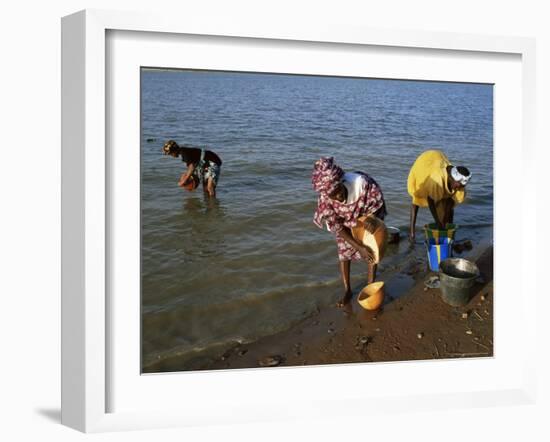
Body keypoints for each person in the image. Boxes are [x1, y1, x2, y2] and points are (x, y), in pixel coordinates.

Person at [312, 157, 387, 307]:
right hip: (343, 220)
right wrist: (358, 247)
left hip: (366, 212)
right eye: (333, 195)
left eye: (339, 190)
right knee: (343, 250)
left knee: (372, 246)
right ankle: (347, 290)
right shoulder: (325, 199)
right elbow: (337, 227)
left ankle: (370, 286)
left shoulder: (362, 183)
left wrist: (371, 218)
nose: (338, 196)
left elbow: (376, 202)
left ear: (341, 182)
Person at [407, 150, 471, 241]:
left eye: (462, 186)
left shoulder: (458, 182)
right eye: (459, 185)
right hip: (425, 163)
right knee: (417, 198)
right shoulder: (437, 179)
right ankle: (411, 233)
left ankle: (448, 235)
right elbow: (430, 200)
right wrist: (438, 222)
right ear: (452, 179)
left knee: (447, 201)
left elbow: (451, 202)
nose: (460, 188)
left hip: (438, 158)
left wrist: (448, 227)